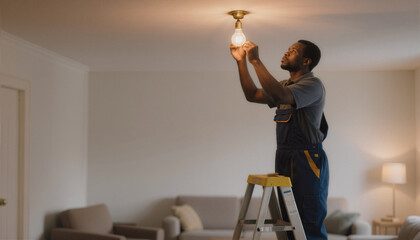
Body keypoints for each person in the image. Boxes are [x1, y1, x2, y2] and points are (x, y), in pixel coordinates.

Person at [230, 40, 329, 240]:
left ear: (306, 61)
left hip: (307, 160)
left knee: (307, 224)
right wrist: (241, 62)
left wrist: (255, 60)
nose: (286, 52)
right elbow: (252, 94)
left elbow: (281, 96)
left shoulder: (312, 85)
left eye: (292, 51)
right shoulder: (284, 85)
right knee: (288, 226)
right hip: (284, 157)